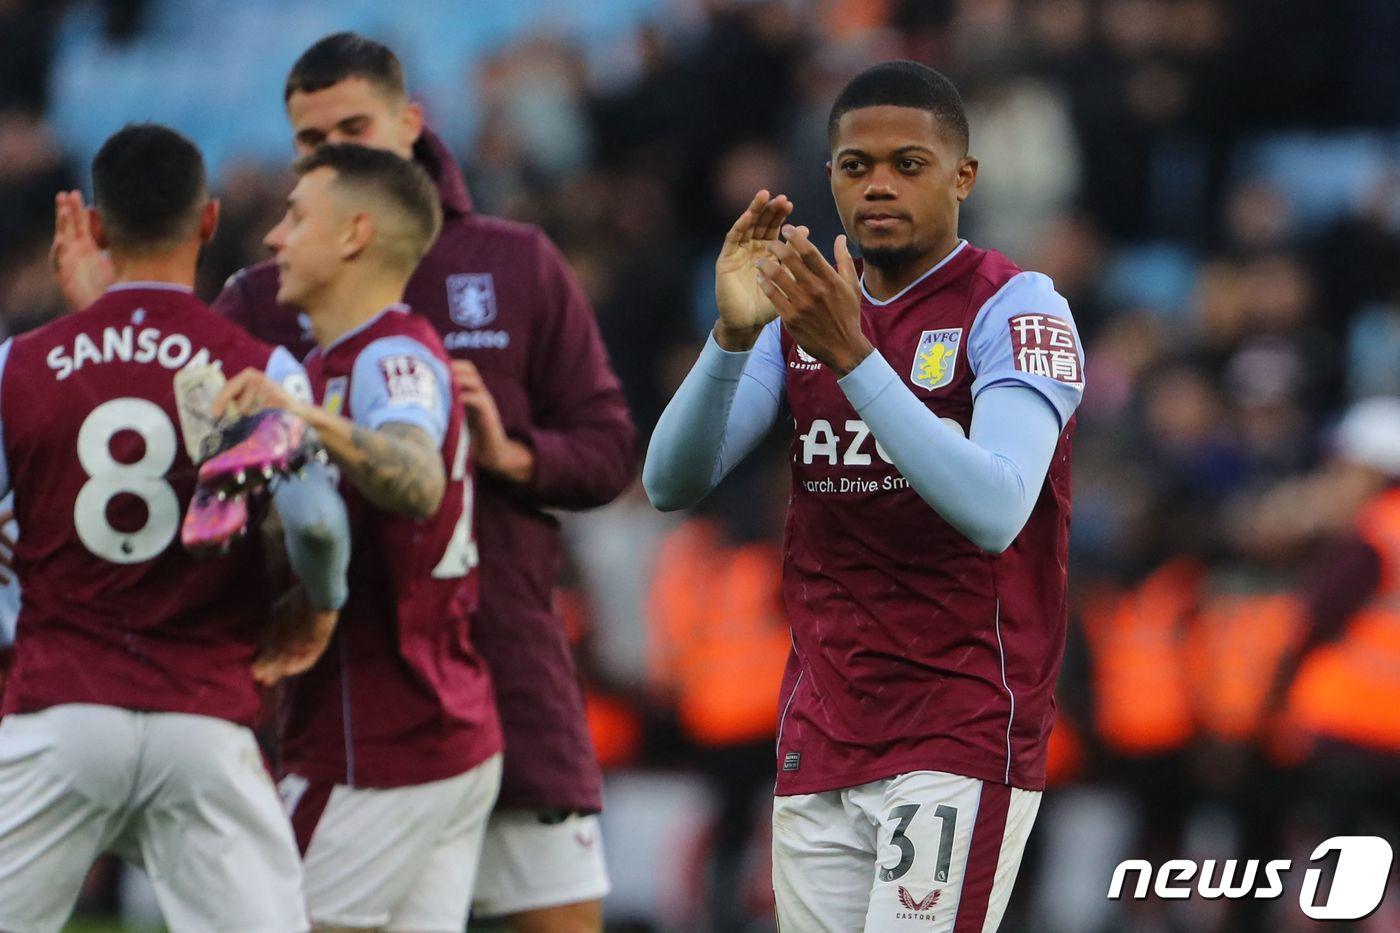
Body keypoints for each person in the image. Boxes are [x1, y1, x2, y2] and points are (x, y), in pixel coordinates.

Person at [49, 33, 635, 930]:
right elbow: (160, 424)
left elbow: (604, 450)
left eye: (354, 129)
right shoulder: (259, 299)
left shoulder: (512, 267)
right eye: (312, 146)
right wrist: (112, 312)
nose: (335, 158)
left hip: (492, 674)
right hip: (358, 691)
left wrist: (508, 454)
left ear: (410, 122)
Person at [644, 61, 1086, 931]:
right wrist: (732, 337)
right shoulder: (801, 315)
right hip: (823, 726)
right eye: (855, 165)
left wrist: (854, 358)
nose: (878, 184)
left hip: (959, 724)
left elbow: (998, 510)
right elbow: (669, 480)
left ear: (963, 177)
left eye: (908, 164)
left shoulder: (1017, 307)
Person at [0, 123, 350, 933]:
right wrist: (319, 603)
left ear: (92, 227)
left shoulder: (20, 363)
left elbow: (105, 371)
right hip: (204, 717)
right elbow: (322, 528)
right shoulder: (261, 370)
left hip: (63, 710)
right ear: (207, 221)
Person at [214, 142, 502, 932]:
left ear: (354, 236)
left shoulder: (390, 358)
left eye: (296, 214)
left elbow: (415, 478)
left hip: (370, 744)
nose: (274, 237)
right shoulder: (335, 362)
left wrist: (299, 418)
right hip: (436, 733)